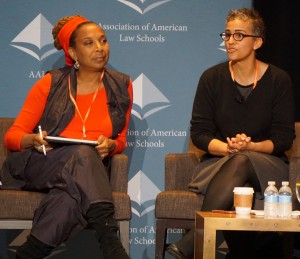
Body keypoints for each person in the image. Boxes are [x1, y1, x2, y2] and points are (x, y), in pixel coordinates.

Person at [166, 8, 295, 259]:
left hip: (268, 167)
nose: (229, 41)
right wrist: (228, 148)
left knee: (244, 159)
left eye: (238, 35)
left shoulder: (279, 79)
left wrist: (251, 148)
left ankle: (195, 239)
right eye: (227, 35)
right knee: (240, 182)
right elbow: (200, 133)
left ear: (257, 41)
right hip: (220, 162)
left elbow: (283, 138)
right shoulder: (211, 78)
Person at [0, 14, 133, 259]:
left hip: (85, 172)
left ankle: (28, 254)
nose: (100, 48)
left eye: (103, 41)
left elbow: (121, 138)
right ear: (72, 51)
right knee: (82, 155)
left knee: (71, 196)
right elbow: (12, 136)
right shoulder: (51, 83)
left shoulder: (121, 84)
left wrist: (112, 145)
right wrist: (34, 140)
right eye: (89, 43)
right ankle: (110, 242)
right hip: (41, 164)